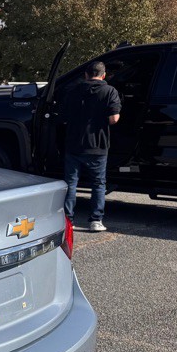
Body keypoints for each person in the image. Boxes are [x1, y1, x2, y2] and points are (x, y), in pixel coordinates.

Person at [61, 60, 122, 232]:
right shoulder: (110, 91)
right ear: (104, 75)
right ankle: (96, 220)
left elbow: (63, 116)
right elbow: (113, 119)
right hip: (98, 145)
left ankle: (68, 221)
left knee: (71, 184)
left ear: (86, 75)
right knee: (98, 184)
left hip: (73, 144)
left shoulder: (73, 90)